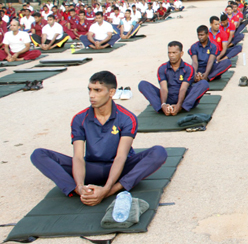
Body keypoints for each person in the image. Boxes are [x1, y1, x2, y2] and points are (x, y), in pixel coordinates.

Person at [31, 71, 167, 205]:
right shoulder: (79, 118)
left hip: (121, 169)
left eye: (97, 90)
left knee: (159, 152)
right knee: (38, 155)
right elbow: (78, 157)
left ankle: (113, 189)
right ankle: (80, 192)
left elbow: (121, 157)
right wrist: (80, 187)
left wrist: (106, 189)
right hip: (91, 169)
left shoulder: (127, 118)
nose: (91, 95)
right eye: (89, 90)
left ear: (111, 92)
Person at [139, 42, 209, 115]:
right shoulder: (162, 68)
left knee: (204, 84)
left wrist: (179, 105)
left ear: (181, 53)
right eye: (169, 53)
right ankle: (162, 108)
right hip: (168, 97)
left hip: (184, 98)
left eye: (174, 53)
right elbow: (164, 88)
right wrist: (163, 104)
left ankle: (182, 107)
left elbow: (183, 88)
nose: (171, 55)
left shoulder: (188, 68)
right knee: (143, 84)